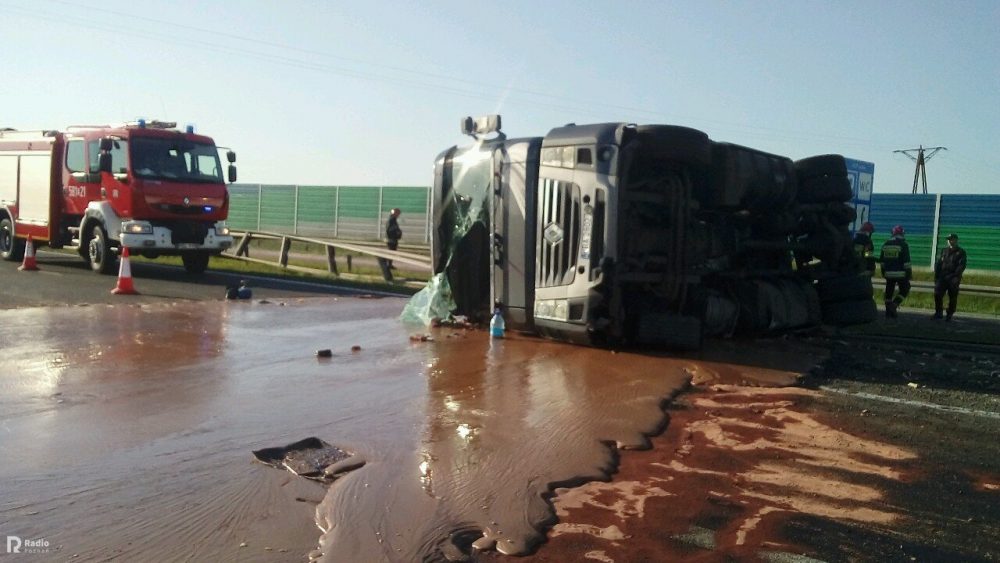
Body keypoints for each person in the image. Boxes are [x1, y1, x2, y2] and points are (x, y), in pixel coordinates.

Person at [879, 225, 912, 319]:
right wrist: (909, 274)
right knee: (905, 289)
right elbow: (907, 262)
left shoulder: (886, 244)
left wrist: (883, 272)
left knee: (889, 292)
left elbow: (882, 261)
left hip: (888, 273)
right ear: (902, 233)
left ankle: (888, 313)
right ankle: (894, 305)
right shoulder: (903, 244)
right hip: (901, 273)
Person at [933, 233, 967, 321]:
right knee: (937, 294)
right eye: (948, 239)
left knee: (952, 296)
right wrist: (937, 276)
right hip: (943, 277)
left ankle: (950, 313)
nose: (950, 241)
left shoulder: (961, 252)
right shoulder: (944, 250)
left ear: (956, 240)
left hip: (953, 278)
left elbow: (961, 266)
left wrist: (955, 276)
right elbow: (939, 264)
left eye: (951, 239)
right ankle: (938, 312)